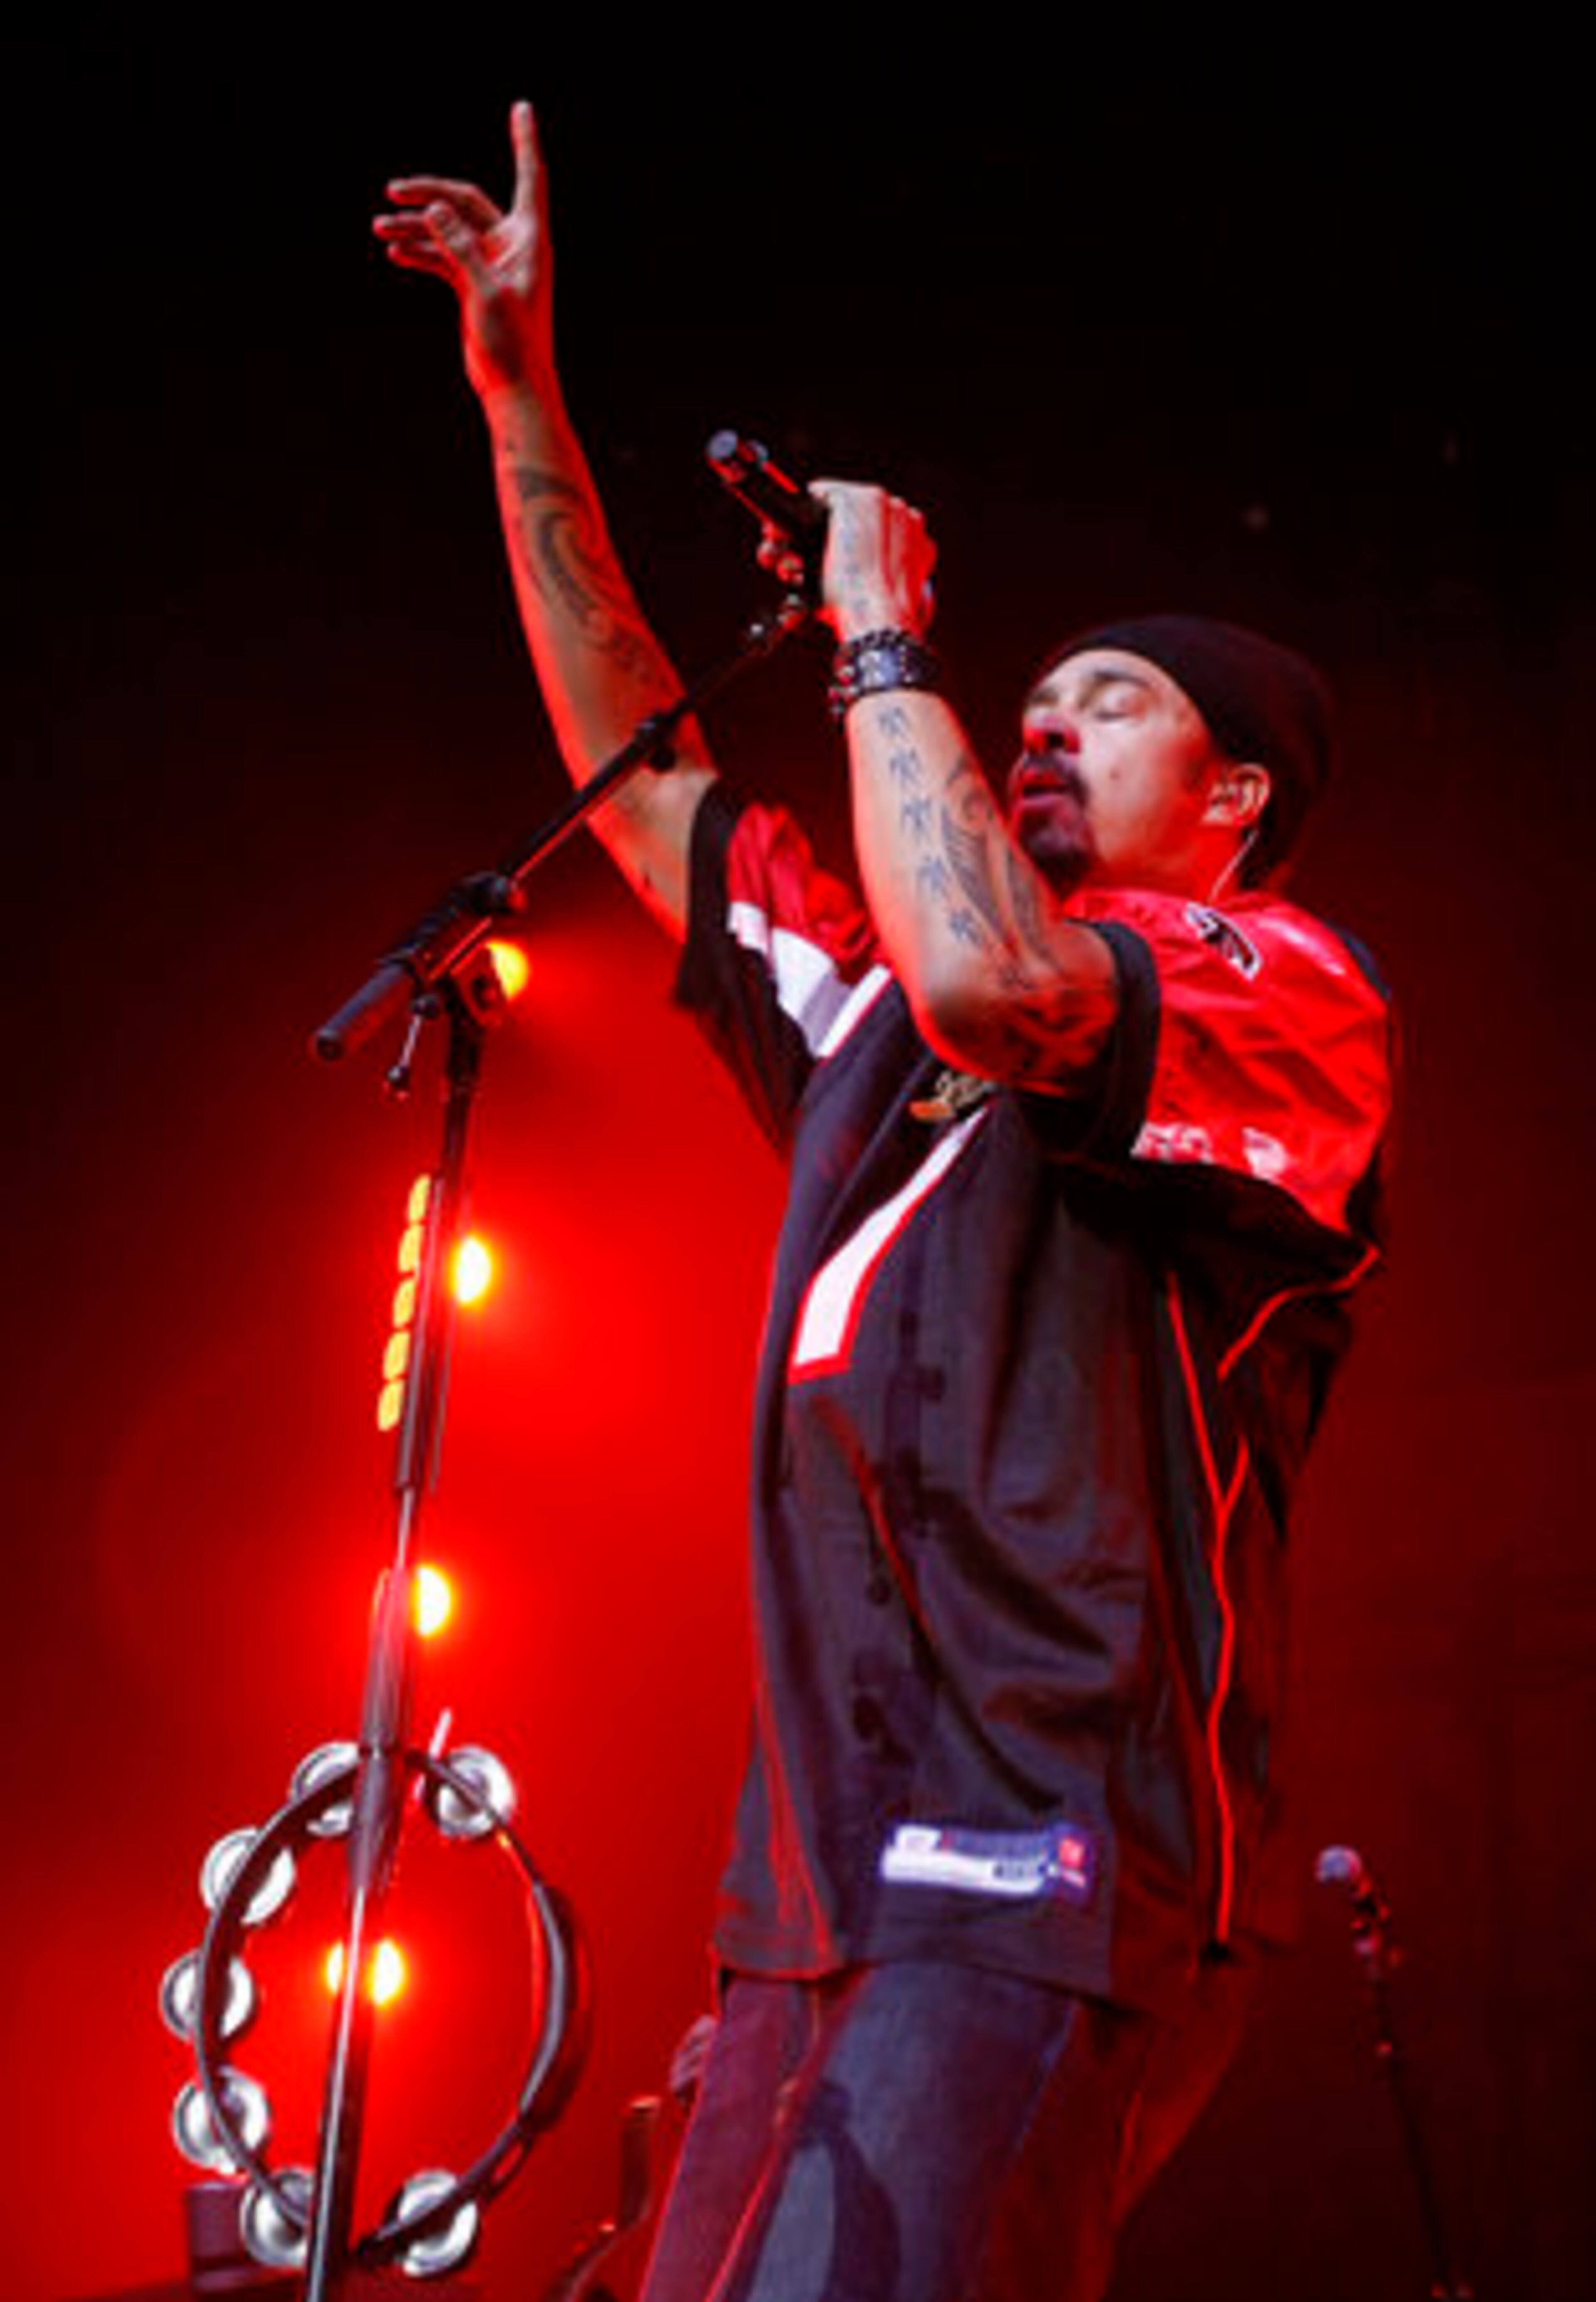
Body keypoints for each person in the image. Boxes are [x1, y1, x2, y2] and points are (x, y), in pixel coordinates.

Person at [374, 102, 1395, 2302]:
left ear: (1234, 802)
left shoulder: (1282, 996)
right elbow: (647, 775)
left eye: (1106, 709)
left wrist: (880, 650)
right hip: (819, 1883)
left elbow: (1003, 974)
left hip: (1050, 1855)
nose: (1041, 727)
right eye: (1020, 702)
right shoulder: (871, 1021)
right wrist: (518, 383)